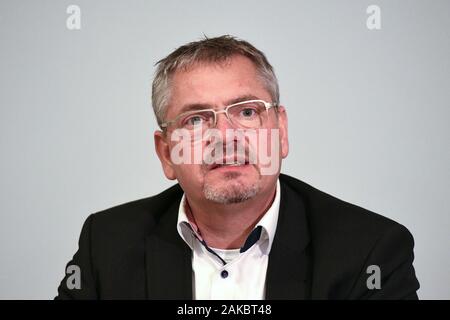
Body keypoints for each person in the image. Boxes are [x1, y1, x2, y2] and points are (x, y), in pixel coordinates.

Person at [56, 35, 420, 299]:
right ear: (166, 153)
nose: (225, 136)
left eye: (247, 112)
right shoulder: (106, 243)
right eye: (196, 120)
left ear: (280, 132)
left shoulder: (370, 250)